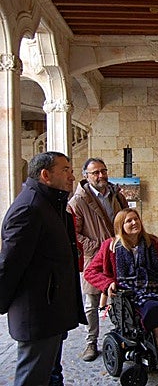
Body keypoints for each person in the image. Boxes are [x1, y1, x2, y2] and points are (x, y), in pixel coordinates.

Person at [0, 151, 86, 386]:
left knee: (51, 374)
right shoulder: (29, 208)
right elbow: (9, 264)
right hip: (38, 315)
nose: (72, 176)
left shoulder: (50, 204)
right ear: (45, 175)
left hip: (51, 311)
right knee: (33, 378)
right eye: (65, 170)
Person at [84, 208, 158, 380]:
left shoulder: (153, 242)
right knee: (154, 313)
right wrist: (108, 283)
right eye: (128, 221)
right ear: (120, 226)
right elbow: (90, 272)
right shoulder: (111, 246)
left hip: (156, 289)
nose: (134, 223)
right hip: (131, 295)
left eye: (136, 219)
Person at [68, 157, 128, 362]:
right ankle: (90, 342)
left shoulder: (116, 195)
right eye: (95, 173)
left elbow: (127, 220)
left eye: (103, 171)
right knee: (92, 303)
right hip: (95, 259)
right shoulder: (78, 201)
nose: (101, 175)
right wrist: (99, 246)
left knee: (122, 297)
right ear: (86, 176)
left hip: (120, 256)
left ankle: (122, 336)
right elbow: (74, 235)